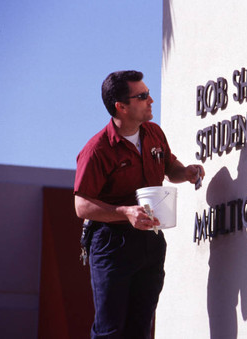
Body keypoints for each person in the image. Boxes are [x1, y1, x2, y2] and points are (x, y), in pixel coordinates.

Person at [74, 70, 205, 338]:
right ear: (120, 107)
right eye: (143, 96)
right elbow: (81, 205)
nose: (151, 100)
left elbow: (170, 167)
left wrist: (187, 173)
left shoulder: (154, 133)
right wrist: (124, 212)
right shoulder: (97, 150)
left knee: (141, 328)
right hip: (111, 243)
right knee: (110, 329)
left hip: (150, 240)